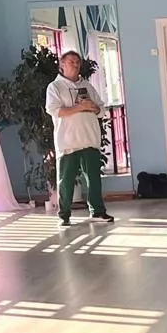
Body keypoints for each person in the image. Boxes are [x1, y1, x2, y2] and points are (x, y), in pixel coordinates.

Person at [46, 50, 114, 225]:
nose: (75, 65)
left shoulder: (87, 86)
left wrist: (94, 108)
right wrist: (80, 107)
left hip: (90, 138)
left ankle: (97, 212)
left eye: (77, 62)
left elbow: (101, 109)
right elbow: (55, 111)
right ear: (62, 64)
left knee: (94, 179)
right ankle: (64, 215)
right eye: (71, 62)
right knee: (66, 181)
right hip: (68, 141)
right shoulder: (55, 87)